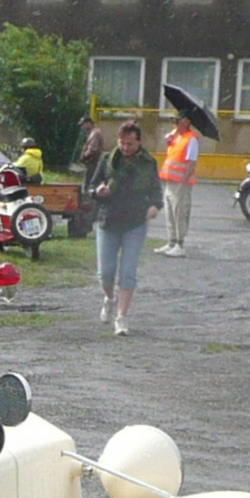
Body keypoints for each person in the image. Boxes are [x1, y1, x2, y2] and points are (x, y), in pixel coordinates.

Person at [89, 119, 163, 336]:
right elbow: (90, 186)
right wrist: (97, 191)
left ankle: (121, 318)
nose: (125, 147)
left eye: (130, 144)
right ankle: (109, 298)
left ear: (139, 142)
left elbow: (156, 192)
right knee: (105, 273)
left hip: (135, 223)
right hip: (108, 221)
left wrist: (154, 206)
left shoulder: (148, 163)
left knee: (128, 273)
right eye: (122, 143)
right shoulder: (107, 160)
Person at [157, 112, 199, 256]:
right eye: (174, 121)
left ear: (186, 122)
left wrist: (184, 181)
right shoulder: (175, 137)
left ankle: (180, 245)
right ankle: (171, 242)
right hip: (170, 181)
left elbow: (191, 162)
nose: (174, 124)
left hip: (181, 183)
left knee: (180, 212)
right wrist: (169, 141)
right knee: (169, 212)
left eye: (177, 121)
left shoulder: (191, 139)